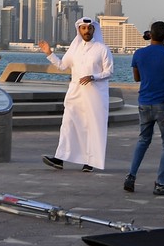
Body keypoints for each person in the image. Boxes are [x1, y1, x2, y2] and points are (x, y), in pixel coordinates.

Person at [38, 17, 114, 172]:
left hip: (95, 96)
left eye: (89, 28)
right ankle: (59, 159)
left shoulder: (102, 49)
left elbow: (109, 71)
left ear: (94, 30)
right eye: (83, 28)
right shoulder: (74, 48)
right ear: (79, 30)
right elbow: (61, 66)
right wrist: (49, 53)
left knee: (91, 128)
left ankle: (89, 162)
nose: (86, 31)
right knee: (68, 125)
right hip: (75, 94)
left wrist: (93, 76)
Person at [124, 21, 164, 195]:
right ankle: (161, 184)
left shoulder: (139, 54)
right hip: (163, 104)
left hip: (144, 103)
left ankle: (131, 177)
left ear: (150, 34)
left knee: (143, 140)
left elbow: (136, 78)